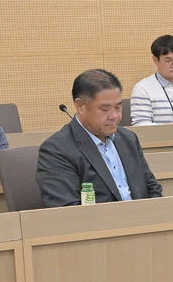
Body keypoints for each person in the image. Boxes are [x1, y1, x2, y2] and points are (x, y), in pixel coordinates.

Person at [38, 70, 163, 206]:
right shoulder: (57, 150)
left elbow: (152, 189)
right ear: (80, 106)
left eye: (118, 107)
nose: (114, 116)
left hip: (143, 216)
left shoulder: (128, 139)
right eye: (105, 109)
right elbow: (67, 210)